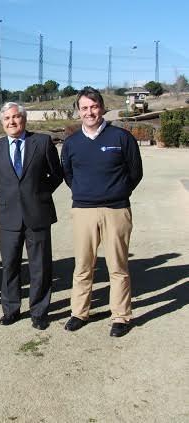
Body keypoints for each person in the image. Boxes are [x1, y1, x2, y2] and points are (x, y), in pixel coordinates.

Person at [61, 87, 143, 337]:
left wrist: (116, 192)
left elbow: (135, 173)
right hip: (84, 211)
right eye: (84, 108)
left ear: (102, 108)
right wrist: (87, 193)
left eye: (94, 107)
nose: (89, 112)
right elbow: (68, 174)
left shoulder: (121, 138)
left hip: (116, 210)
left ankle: (121, 316)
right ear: (78, 111)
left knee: (118, 267)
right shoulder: (72, 142)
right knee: (83, 266)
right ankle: (79, 312)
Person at [0, 102, 63, 330]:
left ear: (24, 119)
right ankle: (11, 308)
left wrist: (38, 193)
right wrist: (13, 198)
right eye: (7, 119)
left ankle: (39, 311)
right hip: (9, 217)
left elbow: (56, 174)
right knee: (10, 265)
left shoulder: (42, 142)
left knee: (40, 265)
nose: (12, 122)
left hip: (37, 214)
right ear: (2, 123)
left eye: (16, 117)